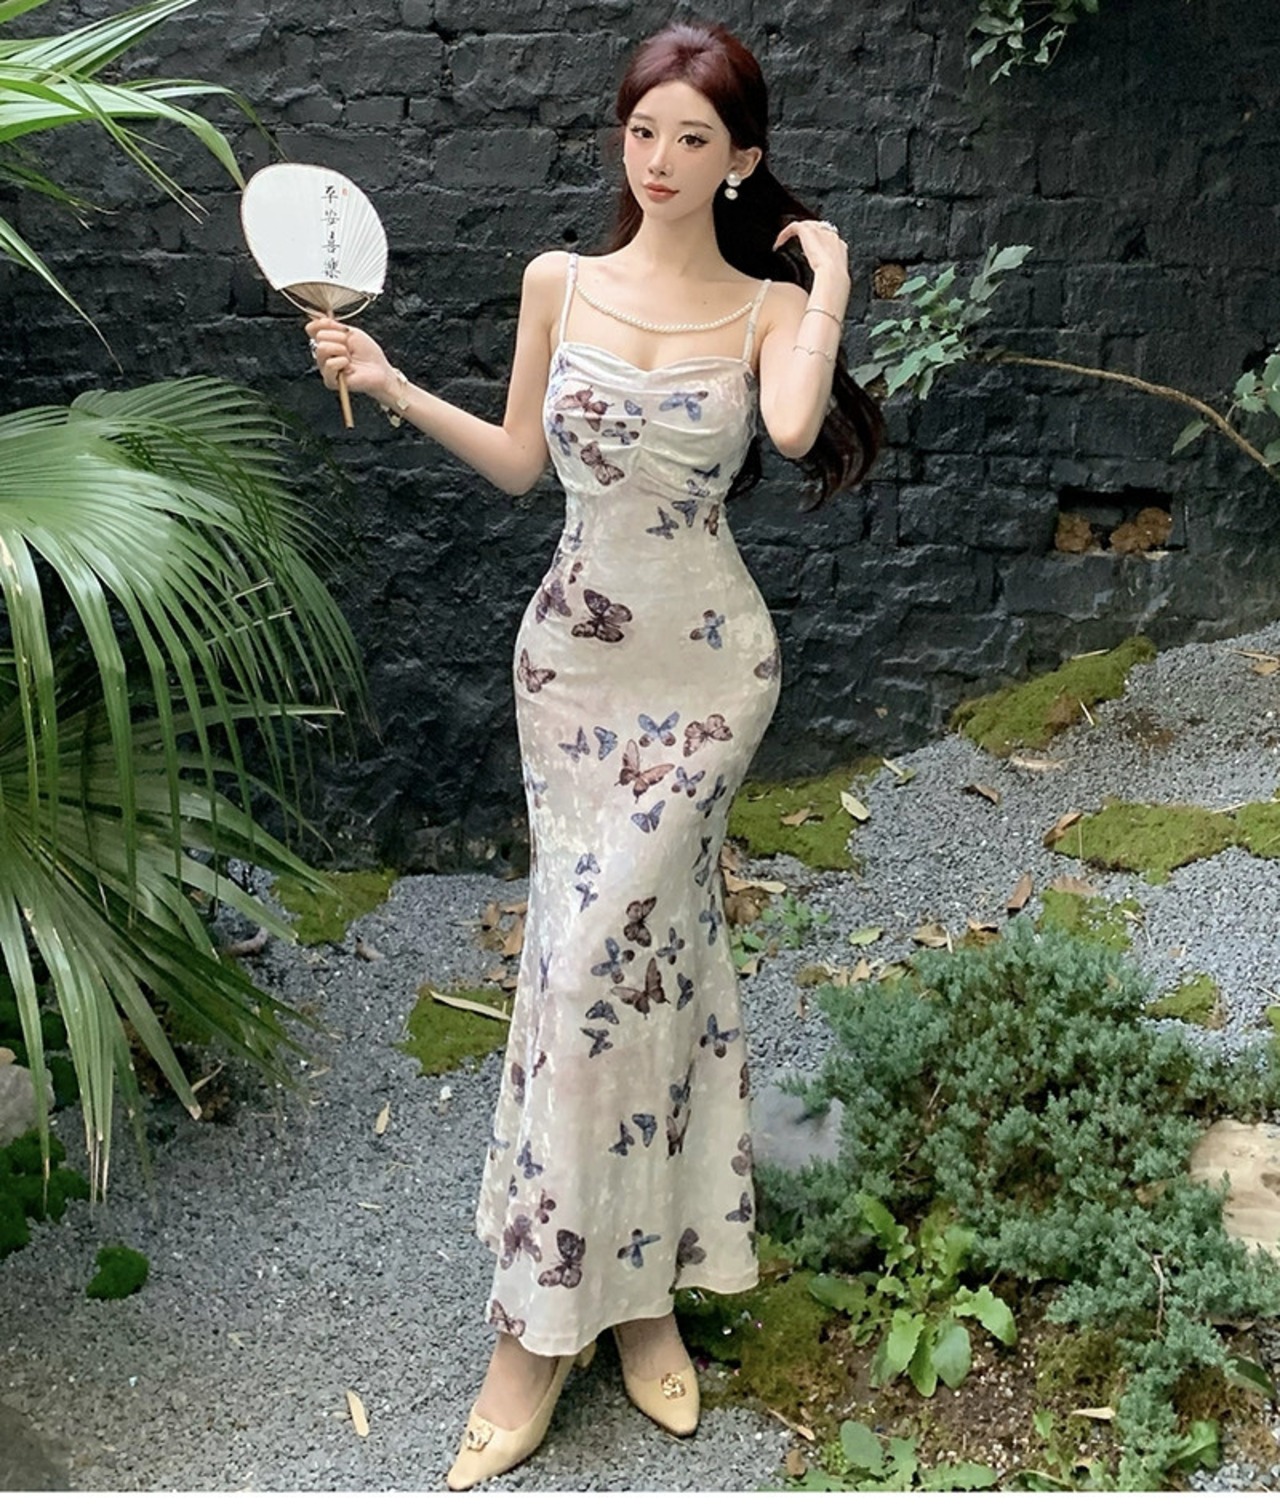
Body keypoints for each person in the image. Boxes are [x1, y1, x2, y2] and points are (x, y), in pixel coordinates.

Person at [307, 19, 882, 1490]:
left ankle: (622, 1302)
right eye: (644, 132)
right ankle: (574, 1315)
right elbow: (521, 465)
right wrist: (389, 379)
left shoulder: (768, 308)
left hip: (709, 676)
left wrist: (829, 282)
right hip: (571, 670)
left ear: (741, 160)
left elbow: (795, 426)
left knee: (635, 962)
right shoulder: (556, 282)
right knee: (591, 974)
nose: (663, 160)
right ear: (619, 136)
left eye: (696, 139)